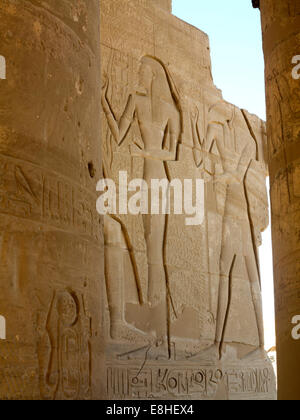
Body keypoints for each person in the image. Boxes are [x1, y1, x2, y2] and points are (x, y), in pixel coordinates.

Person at [101, 56, 182, 357]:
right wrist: (102, 100)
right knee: (149, 251)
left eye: (143, 70)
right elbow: (119, 134)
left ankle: (160, 332)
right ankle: (153, 326)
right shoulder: (136, 99)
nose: (139, 73)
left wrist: (146, 151)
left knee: (156, 255)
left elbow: (171, 153)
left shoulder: (171, 110)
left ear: (154, 74)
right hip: (146, 179)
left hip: (159, 179)